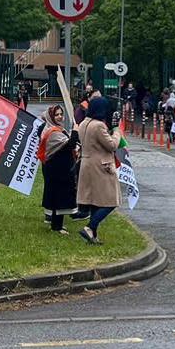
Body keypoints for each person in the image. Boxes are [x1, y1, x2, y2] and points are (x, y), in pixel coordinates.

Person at [76, 97, 123, 244]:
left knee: (96, 201)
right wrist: (116, 131)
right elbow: (112, 145)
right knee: (111, 200)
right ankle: (90, 227)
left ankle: (93, 235)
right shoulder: (98, 126)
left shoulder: (84, 123)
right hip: (101, 166)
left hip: (87, 163)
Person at [38, 105, 79, 235]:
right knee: (59, 197)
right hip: (57, 170)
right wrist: (75, 131)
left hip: (60, 169)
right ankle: (57, 226)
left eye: (61, 114)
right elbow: (69, 145)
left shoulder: (55, 129)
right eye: (57, 115)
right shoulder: (53, 132)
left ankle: (57, 224)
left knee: (58, 196)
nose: (60, 117)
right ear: (51, 116)